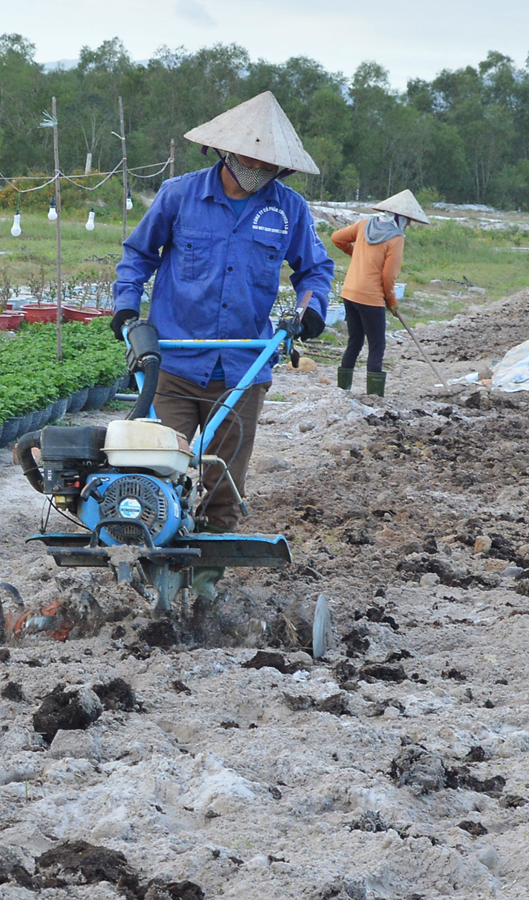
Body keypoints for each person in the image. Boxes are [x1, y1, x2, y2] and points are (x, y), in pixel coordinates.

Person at [111, 91, 335, 599]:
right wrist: (127, 310)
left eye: (269, 165)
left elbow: (315, 269)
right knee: (157, 471)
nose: (258, 170)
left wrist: (311, 311)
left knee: (219, 483)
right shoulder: (179, 196)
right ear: (225, 153)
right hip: (172, 361)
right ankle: (148, 568)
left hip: (242, 366)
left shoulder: (288, 210)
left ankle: (206, 585)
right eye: (251, 160)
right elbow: (137, 256)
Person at [329, 189, 430, 396]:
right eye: (408, 221)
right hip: (370, 298)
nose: (408, 225)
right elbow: (388, 277)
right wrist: (391, 300)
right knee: (377, 345)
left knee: (354, 341)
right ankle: (374, 396)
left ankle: (342, 392)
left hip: (349, 293)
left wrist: (357, 255)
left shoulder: (363, 225)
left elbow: (336, 238)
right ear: (400, 218)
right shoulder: (396, 239)